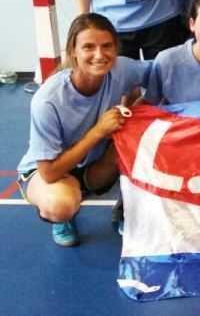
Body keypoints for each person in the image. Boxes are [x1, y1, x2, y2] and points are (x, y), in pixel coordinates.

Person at [16, 13, 150, 247]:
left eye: (106, 46)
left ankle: (126, 209)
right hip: (49, 172)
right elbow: (49, 172)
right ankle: (62, 218)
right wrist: (98, 132)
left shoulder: (122, 69)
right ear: (73, 52)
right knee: (61, 204)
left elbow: (164, 69)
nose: (99, 55)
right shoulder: (47, 100)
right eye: (88, 47)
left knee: (143, 133)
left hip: (93, 166)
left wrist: (137, 107)